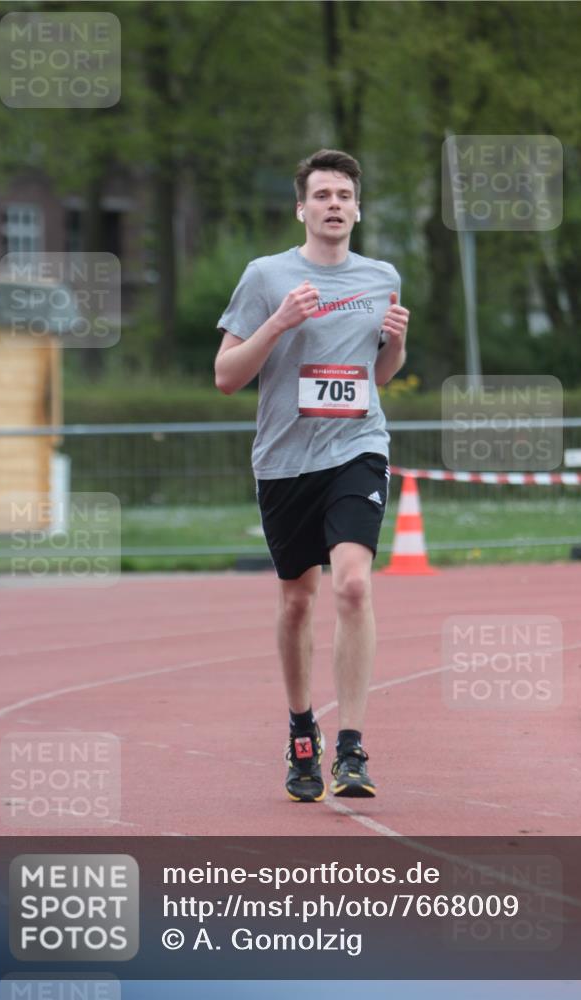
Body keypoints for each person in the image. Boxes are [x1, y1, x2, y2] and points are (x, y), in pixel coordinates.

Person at [215, 149, 409, 801]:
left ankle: (351, 746)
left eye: (343, 194)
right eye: (321, 194)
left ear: (357, 208)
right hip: (285, 460)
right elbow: (225, 377)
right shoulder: (266, 276)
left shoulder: (382, 277)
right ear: (301, 208)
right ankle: (303, 730)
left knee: (352, 586)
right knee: (298, 597)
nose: (333, 204)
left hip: (356, 447)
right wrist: (279, 321)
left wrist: (397, 344)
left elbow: (375, 377)